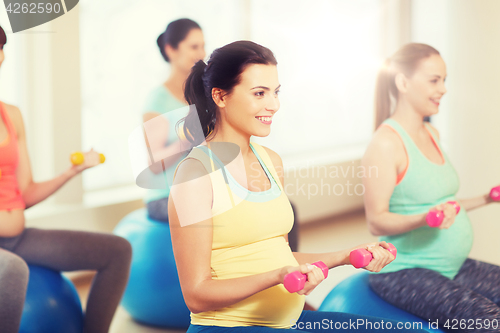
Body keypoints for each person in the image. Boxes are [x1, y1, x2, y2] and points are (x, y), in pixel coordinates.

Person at [167, 40, 427, 332]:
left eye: (276, 92)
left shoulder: (270, 161)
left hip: (288, 322)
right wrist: (277, 276)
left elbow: (282, 256)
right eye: (259, 93)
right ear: (220, 97)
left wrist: (347, 256)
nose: (274, 105)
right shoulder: (195, 174)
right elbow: (196, 295)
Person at [0, 25, 132, 333]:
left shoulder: (12, 116)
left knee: (118, 250)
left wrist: (71, 172)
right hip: (10, 258)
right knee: (13, 271)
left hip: (17, 238)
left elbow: (26, 191)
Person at [362, 43, 500, 331]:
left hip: (452, 265)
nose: (444, 89)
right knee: (489, 321)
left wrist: (486, 198)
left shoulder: (431, 132)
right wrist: (426, 218)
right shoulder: (385, 143)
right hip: (404, 271)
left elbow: (444, 203)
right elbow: (376, 221)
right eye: (434, 80)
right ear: (403, 82)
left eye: (444, 80)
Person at [142, 18, 205, 222]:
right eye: (194, 47)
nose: (201, 54)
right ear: (171, 50)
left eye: (203, 46)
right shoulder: (157, 101)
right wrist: (187, 138)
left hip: (202, 187)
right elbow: (154, 164)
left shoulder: (204, 94)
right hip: (164, 197)